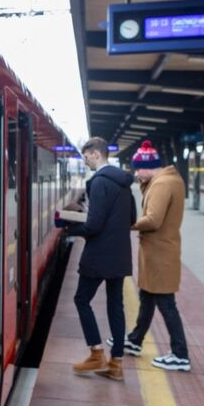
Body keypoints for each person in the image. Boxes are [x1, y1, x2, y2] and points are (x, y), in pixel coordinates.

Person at [61, 137, 135, 382]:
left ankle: (96, 353)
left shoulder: (99, 182)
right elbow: (132, 218)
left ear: (94, 154)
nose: (85, 161)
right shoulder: (124, 182)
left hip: (100, 254)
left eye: (85, 156)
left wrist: (70, 228)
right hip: (120, 253)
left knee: (82, 299)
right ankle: (116, 363)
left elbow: (93, 225)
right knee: (116, 305)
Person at [117, 141, 191, 372]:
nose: (137, 173)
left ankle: (180, 354)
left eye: (139, 168)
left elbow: (153, 220)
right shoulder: (168, 180)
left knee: (166, 303)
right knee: (148, 297)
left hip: (160, 252)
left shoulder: (162, 184)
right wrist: (143, 185)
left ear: (149, 167)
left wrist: (125, 225)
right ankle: (135, 340)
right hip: (160, 250)